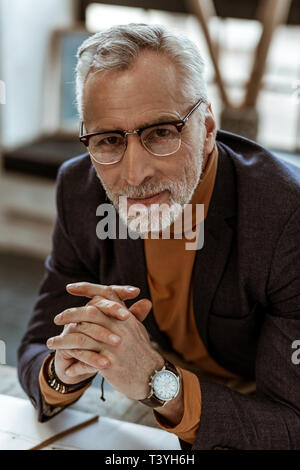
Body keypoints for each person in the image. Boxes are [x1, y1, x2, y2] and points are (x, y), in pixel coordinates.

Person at [18, 23, 300, 450]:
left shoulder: (286, 218)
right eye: (109, 140)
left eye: (161, 133)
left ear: (206, 130)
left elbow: (291, 425)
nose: (134, 175)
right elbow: (36, 344)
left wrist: (156, 381)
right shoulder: (79, 189)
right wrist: (65, 368)